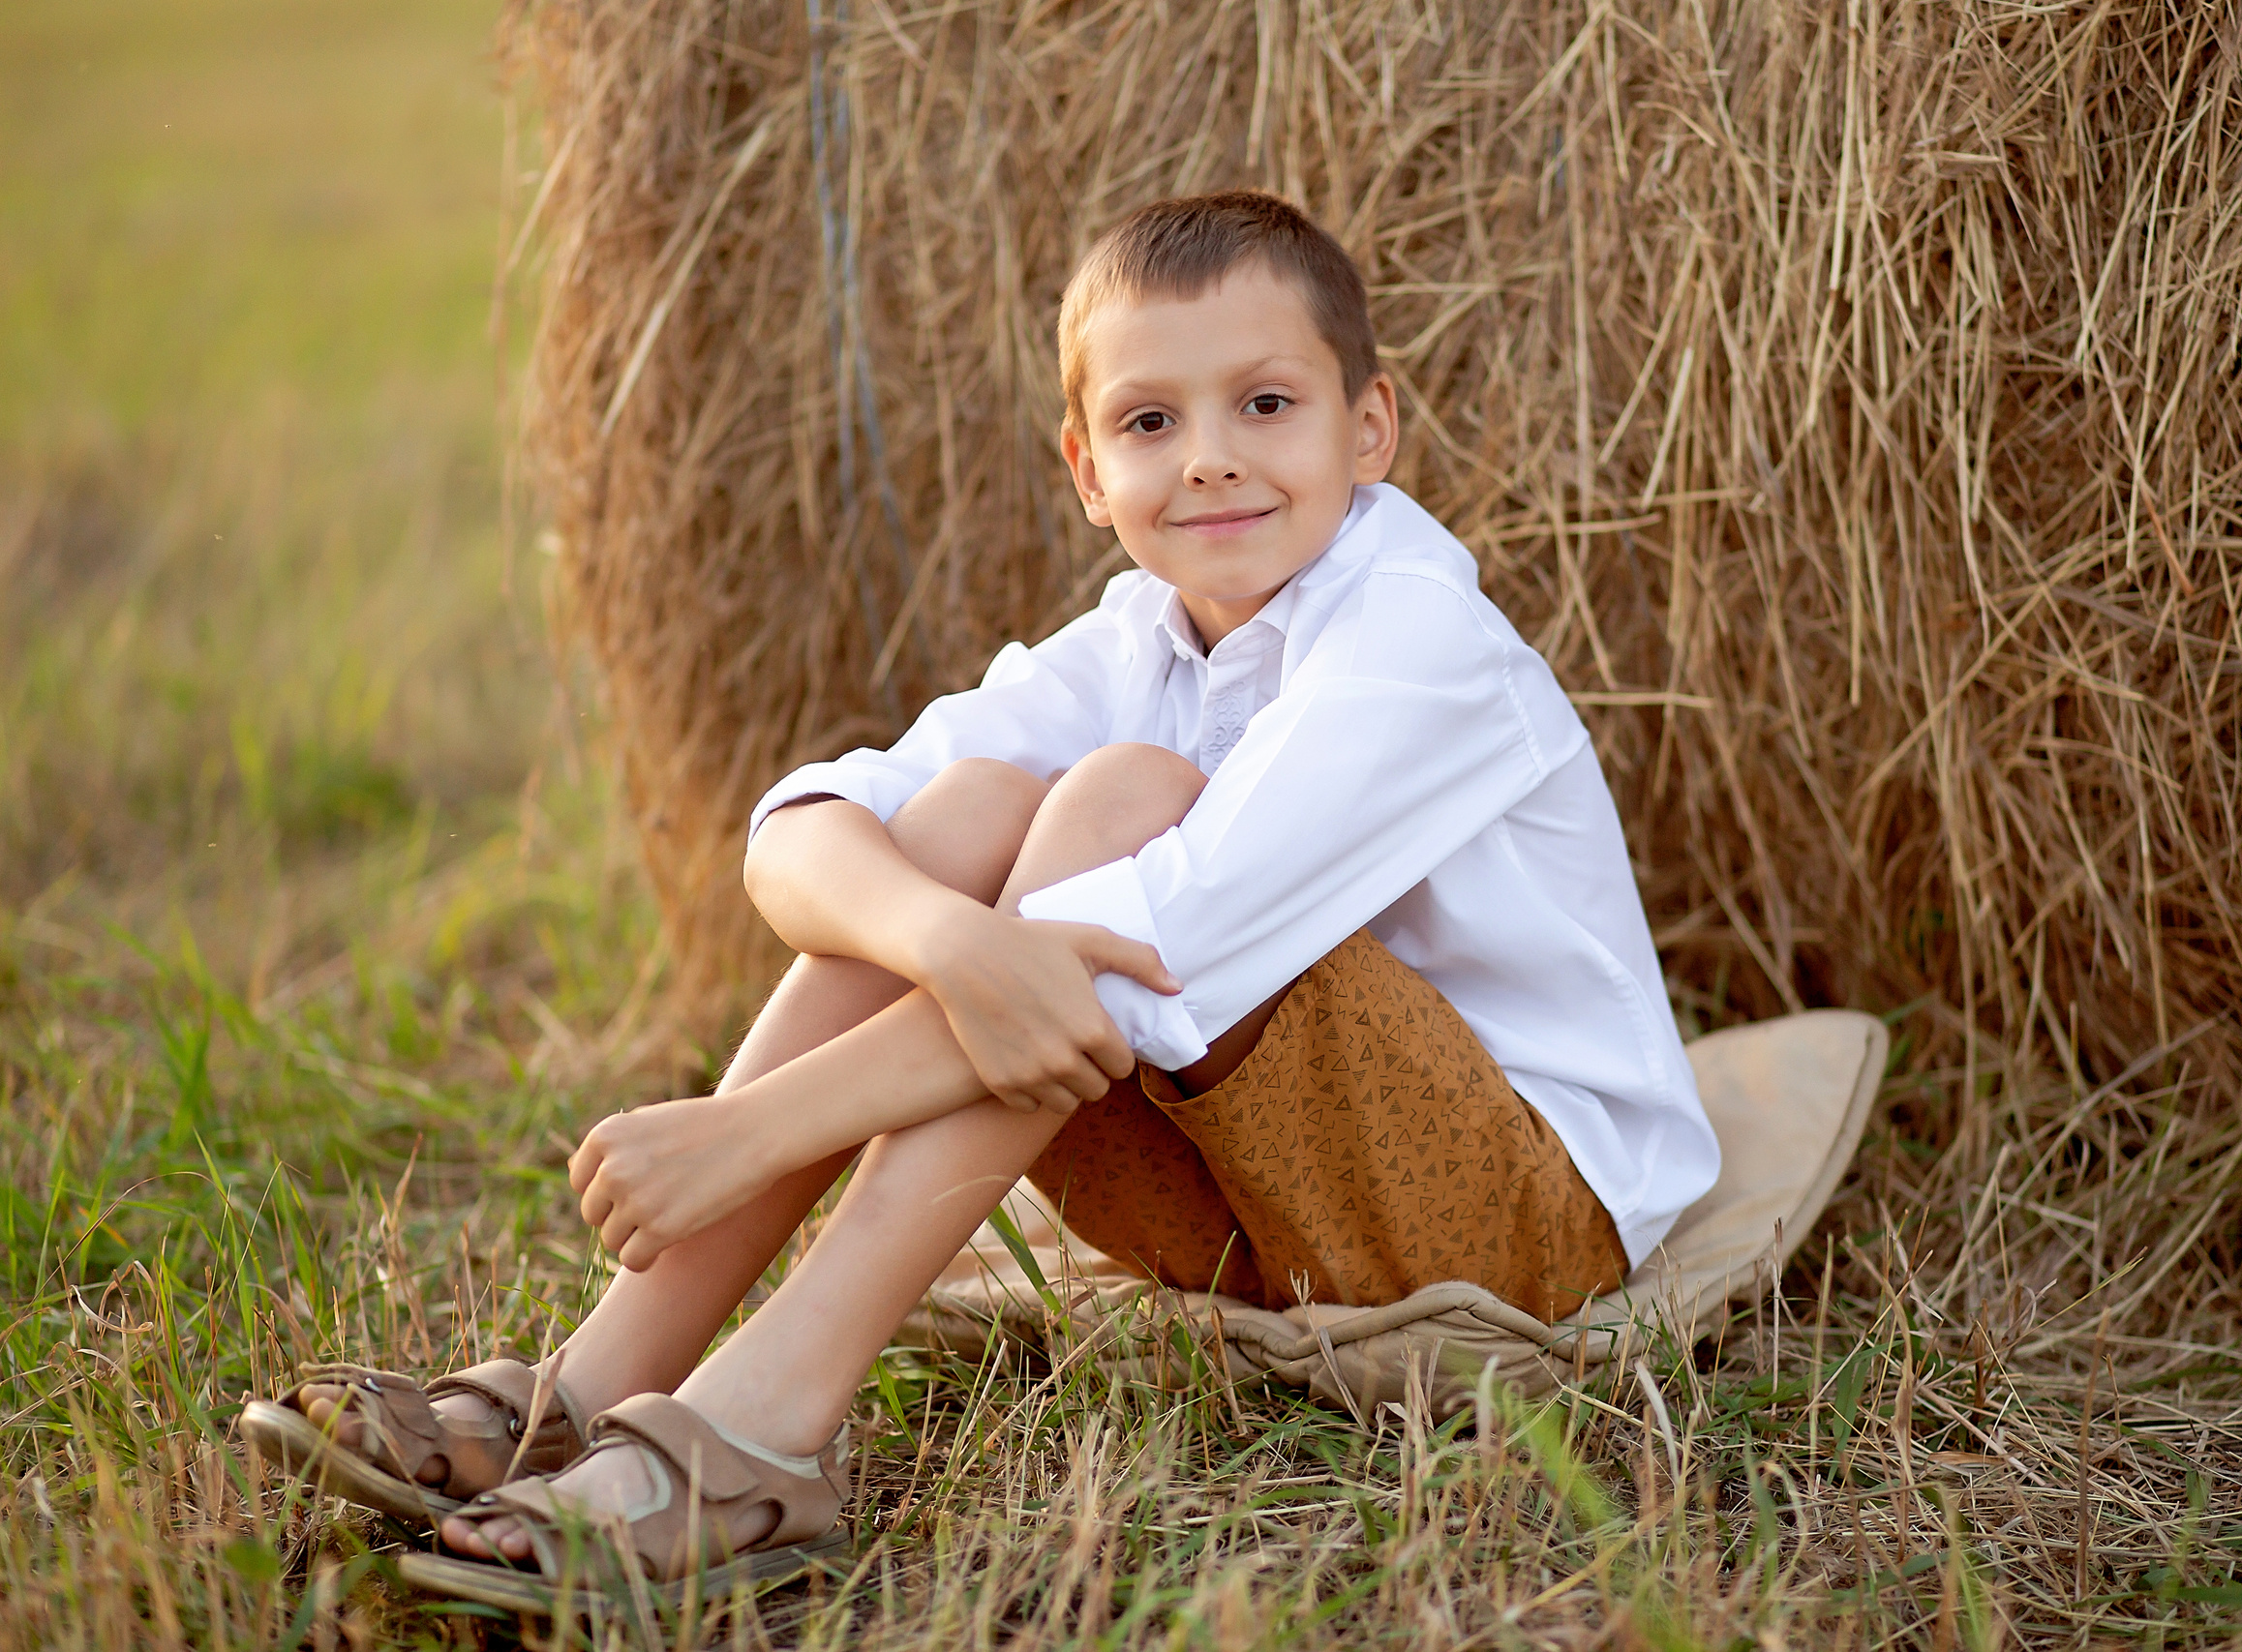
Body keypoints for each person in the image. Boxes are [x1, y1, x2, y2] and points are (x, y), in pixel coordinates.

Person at [246, 190, 1717, 1584]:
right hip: (1257, 1206)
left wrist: (750, 1130)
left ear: (1368, 427)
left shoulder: (1417, 640)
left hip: (1512, 1219)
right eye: (1151, 420)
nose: (1209, 456)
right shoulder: (1141, 636)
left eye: (1266, 405)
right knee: (969, 814)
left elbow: (1148, 957)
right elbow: (806, 826)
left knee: (1119, 805)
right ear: (1088, 470)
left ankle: (765, 1429)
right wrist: (948, 933)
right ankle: (594, 1381)